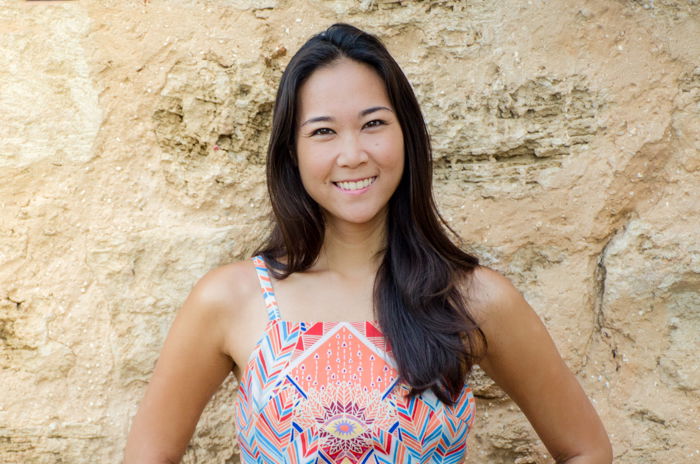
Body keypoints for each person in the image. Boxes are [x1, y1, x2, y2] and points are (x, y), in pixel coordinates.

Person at [124, 23, 612, 464]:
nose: (352, 154)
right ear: (292, 154)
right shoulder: (230, 299)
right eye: (323, 132)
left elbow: (586, 450)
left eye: (374, 124)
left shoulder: (472, 299)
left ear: (407, 135)